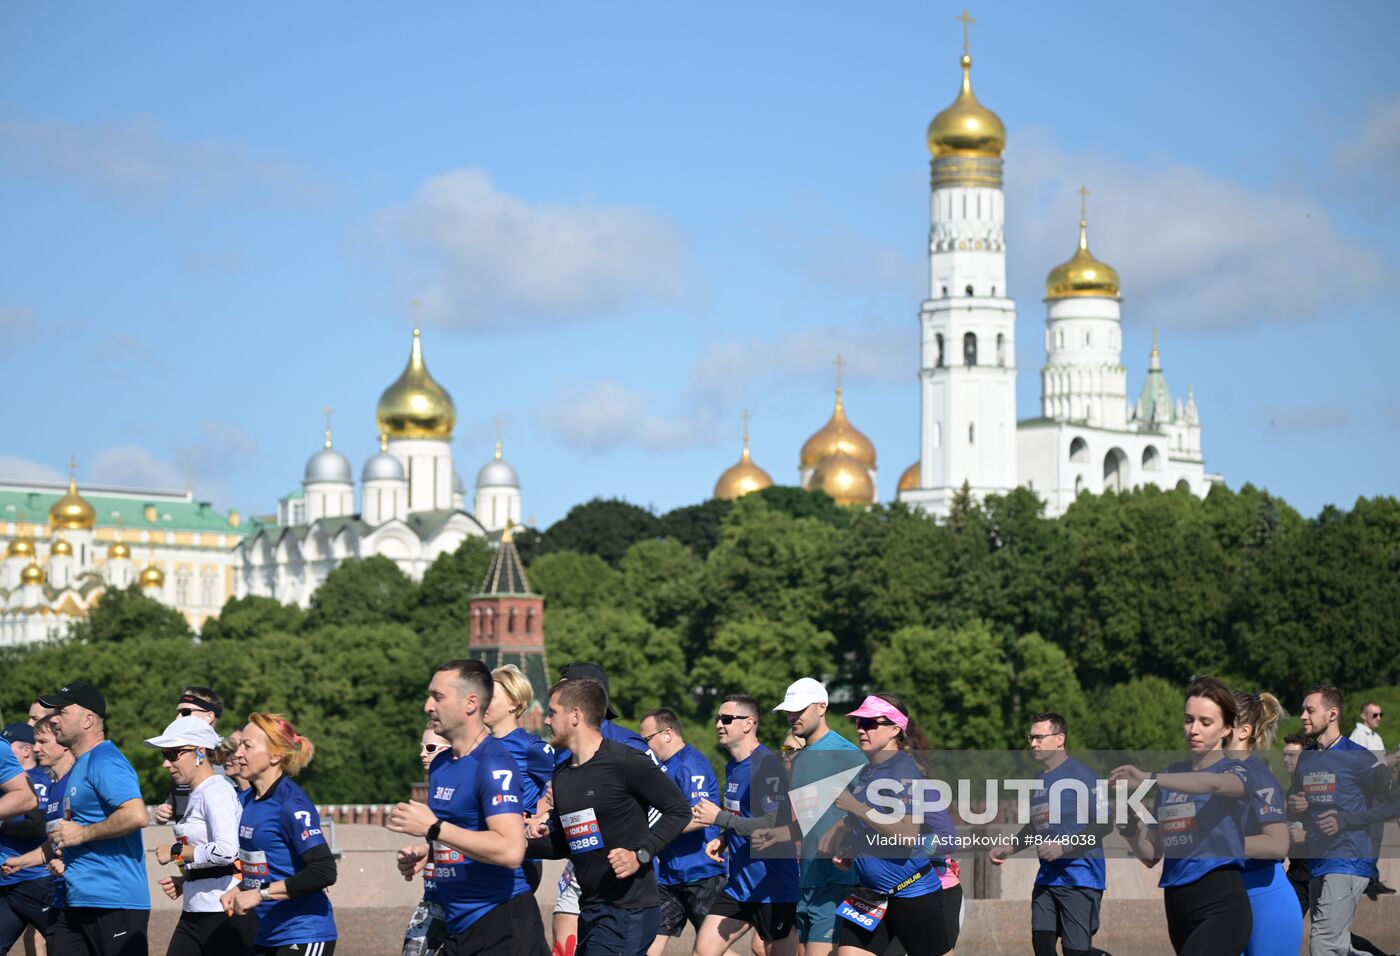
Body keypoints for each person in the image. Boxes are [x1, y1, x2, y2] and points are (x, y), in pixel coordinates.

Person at [386, 659, 543, 956]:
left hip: (502, 923)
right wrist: (431, 850)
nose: (427, 706)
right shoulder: (442, 764)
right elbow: (467, 829)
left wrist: (435, 828)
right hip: (458, 922)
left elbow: (510, 850)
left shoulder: (494, 763)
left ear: (471, 703)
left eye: (438, 697)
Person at [525, 678, 690, 956]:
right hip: (590, 909)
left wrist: (640, 855)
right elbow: (574, 843)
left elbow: (679, 810)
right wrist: (519, 844)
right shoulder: (563, 774)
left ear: (575, 715)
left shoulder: (626, 761)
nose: (546, 721)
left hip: (630, 909)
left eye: (553, 712)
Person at [1110, 676, 1254, 956]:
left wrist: (1149, 779)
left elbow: (1213, 784)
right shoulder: (1170, 776)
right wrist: (1127, 824)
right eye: (1189, 720)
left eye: (1205, 722)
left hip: (1222, 905)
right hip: (1177, 906)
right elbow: (1151, 853)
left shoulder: (1237, 772)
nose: (1194, 729)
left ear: (1226, 729)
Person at [816, 694, 948, 956]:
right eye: (858, 723)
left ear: (895, 729)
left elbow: (907, 834)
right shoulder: (869, 771)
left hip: (911, 893)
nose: (861, 729)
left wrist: (855, 807)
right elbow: (872, 823)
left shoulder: (904, 770)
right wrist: (851, 847)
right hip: (869, 897)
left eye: (870, 723)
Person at [748, 678, 866, 956]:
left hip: (838, 881)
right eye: (790, 710)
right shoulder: (799, 758)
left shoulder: (846, 754)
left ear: (822, 706)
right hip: (805, 882)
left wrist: (849, 844)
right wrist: (777, 834)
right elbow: (807, 821)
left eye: (800, 709)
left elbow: (874, 812)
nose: (793, 716)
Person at [540, 662, 651, 956]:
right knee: (564, 950)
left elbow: (664, 810)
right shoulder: (564, 751)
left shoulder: (629, 746)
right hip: (583, 865)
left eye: (564, 687)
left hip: (628, 880)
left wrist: (639, 853)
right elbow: (574, 817)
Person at [38, 680, 150, 955]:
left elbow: (136, 815)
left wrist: (82, 834)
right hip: (78, 900)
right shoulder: (81, 765)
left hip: (114, 901)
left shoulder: (105, 759)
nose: (53, 720)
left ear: (88, 719)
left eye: (62, 712)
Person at [1292, 685, 1400, 956]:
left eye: (1310, 710)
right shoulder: (1306, 759)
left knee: (1323, 945)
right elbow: (1304, 809)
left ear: (1332, 714)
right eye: (1303, 709)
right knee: (1336, 946)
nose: (1303, 715)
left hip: (1349, 859)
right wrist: (1297, 806)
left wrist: (1346, 820)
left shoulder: (1359, 757)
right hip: (1318, 862)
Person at [989, 711, 1106, 956]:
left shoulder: (1083, 776)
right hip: (1046, 880)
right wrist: (1010, 848)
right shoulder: (1038, 780)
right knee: (1042, 948)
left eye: (1039, 737)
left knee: (1075, 953)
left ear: (1060, 739)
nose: (1033, 743)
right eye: (1031, 738)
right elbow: (1036, 825)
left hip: (1080, 879)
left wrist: (1063, 847)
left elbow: (1104, 824)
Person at [221, 712, 337, 955]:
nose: (239, 753)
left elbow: (324, 871)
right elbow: (271, 866)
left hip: (305, 934)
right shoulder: (247, 801)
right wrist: (241, 888)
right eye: (240, 745)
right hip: (267, 936)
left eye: (248, 746)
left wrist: (260, 894)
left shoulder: (291, 804)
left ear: (275, 755)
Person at [692, 695, 800, 956]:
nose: (719, 724)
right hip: (739, 887)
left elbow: (774, 823)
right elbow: (743, 815)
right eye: (718, 718)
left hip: (773, 888)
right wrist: (725, 837)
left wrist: (720, 819)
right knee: (702, 952)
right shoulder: (733, 766)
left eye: (726, 719)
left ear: (748, 723)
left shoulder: (767, 765)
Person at [145, 715, 255, 956]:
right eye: (164, 755)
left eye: (174, 754)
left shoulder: (216, 790)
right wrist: (187, 880)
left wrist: (176, 851)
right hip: (195, 910)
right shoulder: (198, 793)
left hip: (223, 913)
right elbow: (205, 851)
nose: (166, 763)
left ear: (200, 752)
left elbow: (227, 851)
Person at [637, 708, 726, 956]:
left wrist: (654, 837)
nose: (646, 746)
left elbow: (700, 818)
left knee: (708, 951)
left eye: (647, 739)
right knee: (647, 947)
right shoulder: (664, 767)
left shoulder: (691, 764)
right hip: (667, 877)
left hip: (701, 875)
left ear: (667, 733)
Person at [485, 664, 555, 891]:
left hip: (521, 859)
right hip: (483, 852)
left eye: (491, 697)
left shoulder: (531, 747)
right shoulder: (475, 746)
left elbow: (570, 785)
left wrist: (542, 819)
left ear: (513, 703)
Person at [1, 723, 51, 955]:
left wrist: (4, 824)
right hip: (6, 879)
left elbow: (41, 827)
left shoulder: (41, 780)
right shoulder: (6, 782)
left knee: (63, 942)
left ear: (25, 750)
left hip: (36, 877)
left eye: (8, 746)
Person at [156, 688, 225, 827]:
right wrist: (165, 810)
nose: (177, 718)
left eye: (186, 712)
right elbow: (182, 802)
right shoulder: (181, 757)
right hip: (186, 846)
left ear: (209, 717)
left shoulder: (232, 757)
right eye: (177, 712)